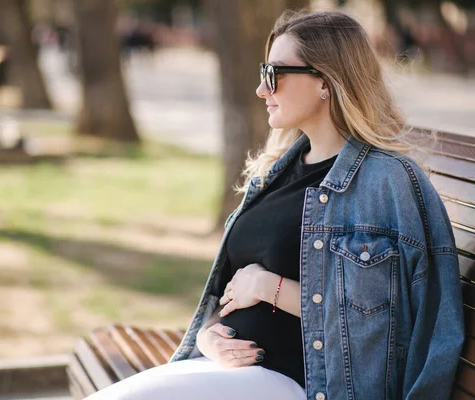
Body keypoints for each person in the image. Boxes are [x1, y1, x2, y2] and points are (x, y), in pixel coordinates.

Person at [84, 9, 464, 400]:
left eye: (274, 75)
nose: (261, 90)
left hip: (307, 386)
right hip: (228, 374)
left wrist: (268, 287)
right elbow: (230, 291)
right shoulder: (278, 171)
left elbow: (397, 323)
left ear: (325, 81)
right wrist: (209, 334)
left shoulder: (388, 182)